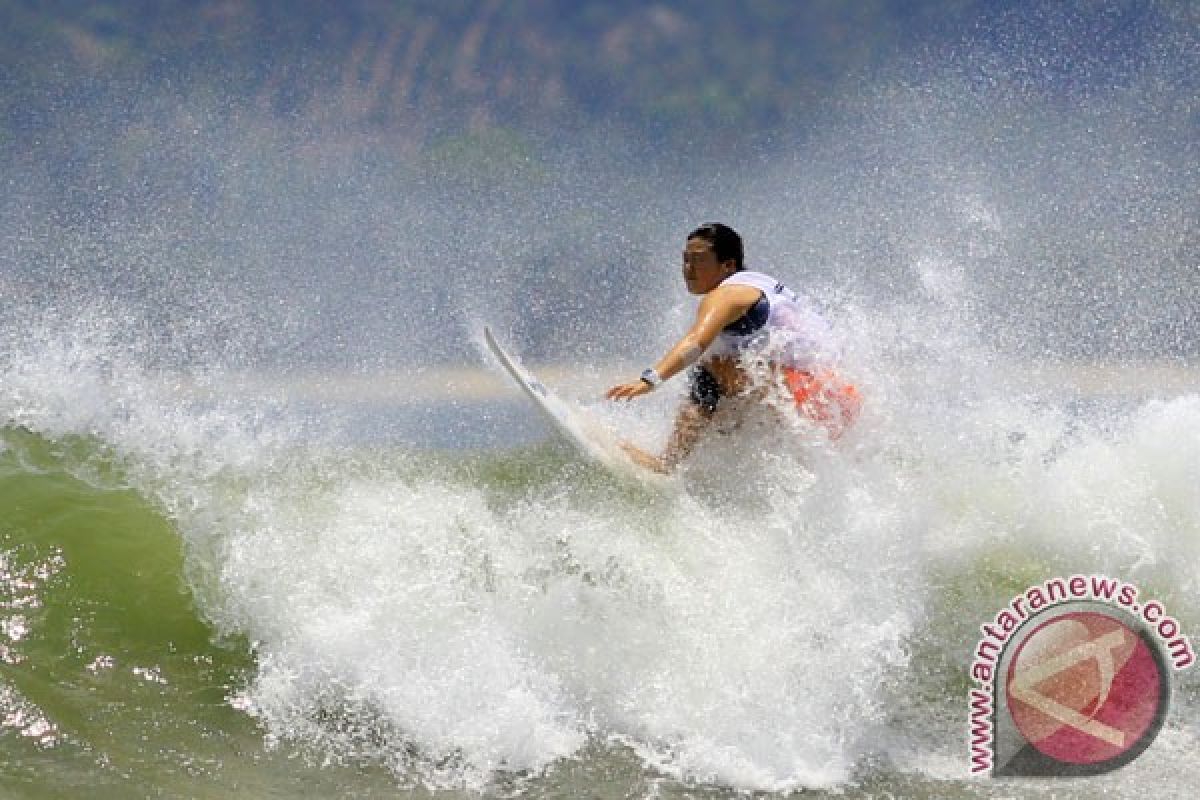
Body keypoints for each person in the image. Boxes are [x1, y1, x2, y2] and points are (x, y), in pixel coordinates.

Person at [605, 223, 861, 474]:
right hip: (839, 401)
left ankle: (667, 463)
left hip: (810, 397)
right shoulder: (759, 283)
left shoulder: (727, 295)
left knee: (709, 369)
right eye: (685, 260)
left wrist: (651, 379)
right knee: (736, 384)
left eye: (698, 260)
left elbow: (696, 342)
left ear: (728, 265)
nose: (688, 269)